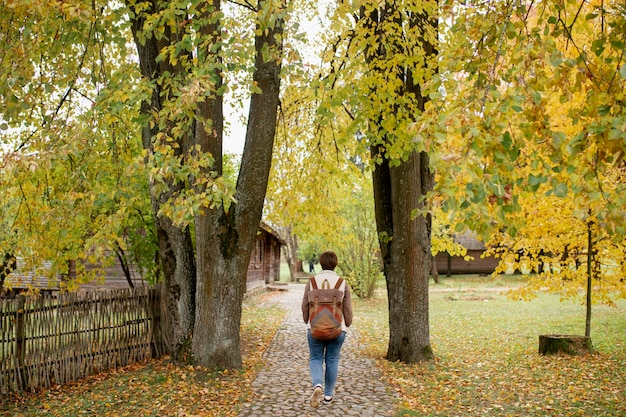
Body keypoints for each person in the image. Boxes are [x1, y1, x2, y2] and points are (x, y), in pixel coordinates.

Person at [301, 250, 353, 408]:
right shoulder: (342, 282)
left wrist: (307, 321)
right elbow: (347, 308)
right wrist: (348, 323)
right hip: (337, 329)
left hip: (315, 329)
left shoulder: (312, 281)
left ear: (320, 263)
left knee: (316, 358)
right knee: (332, 360)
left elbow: (304, 305)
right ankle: (328, 395)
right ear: (335, 263)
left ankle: (317, 385)